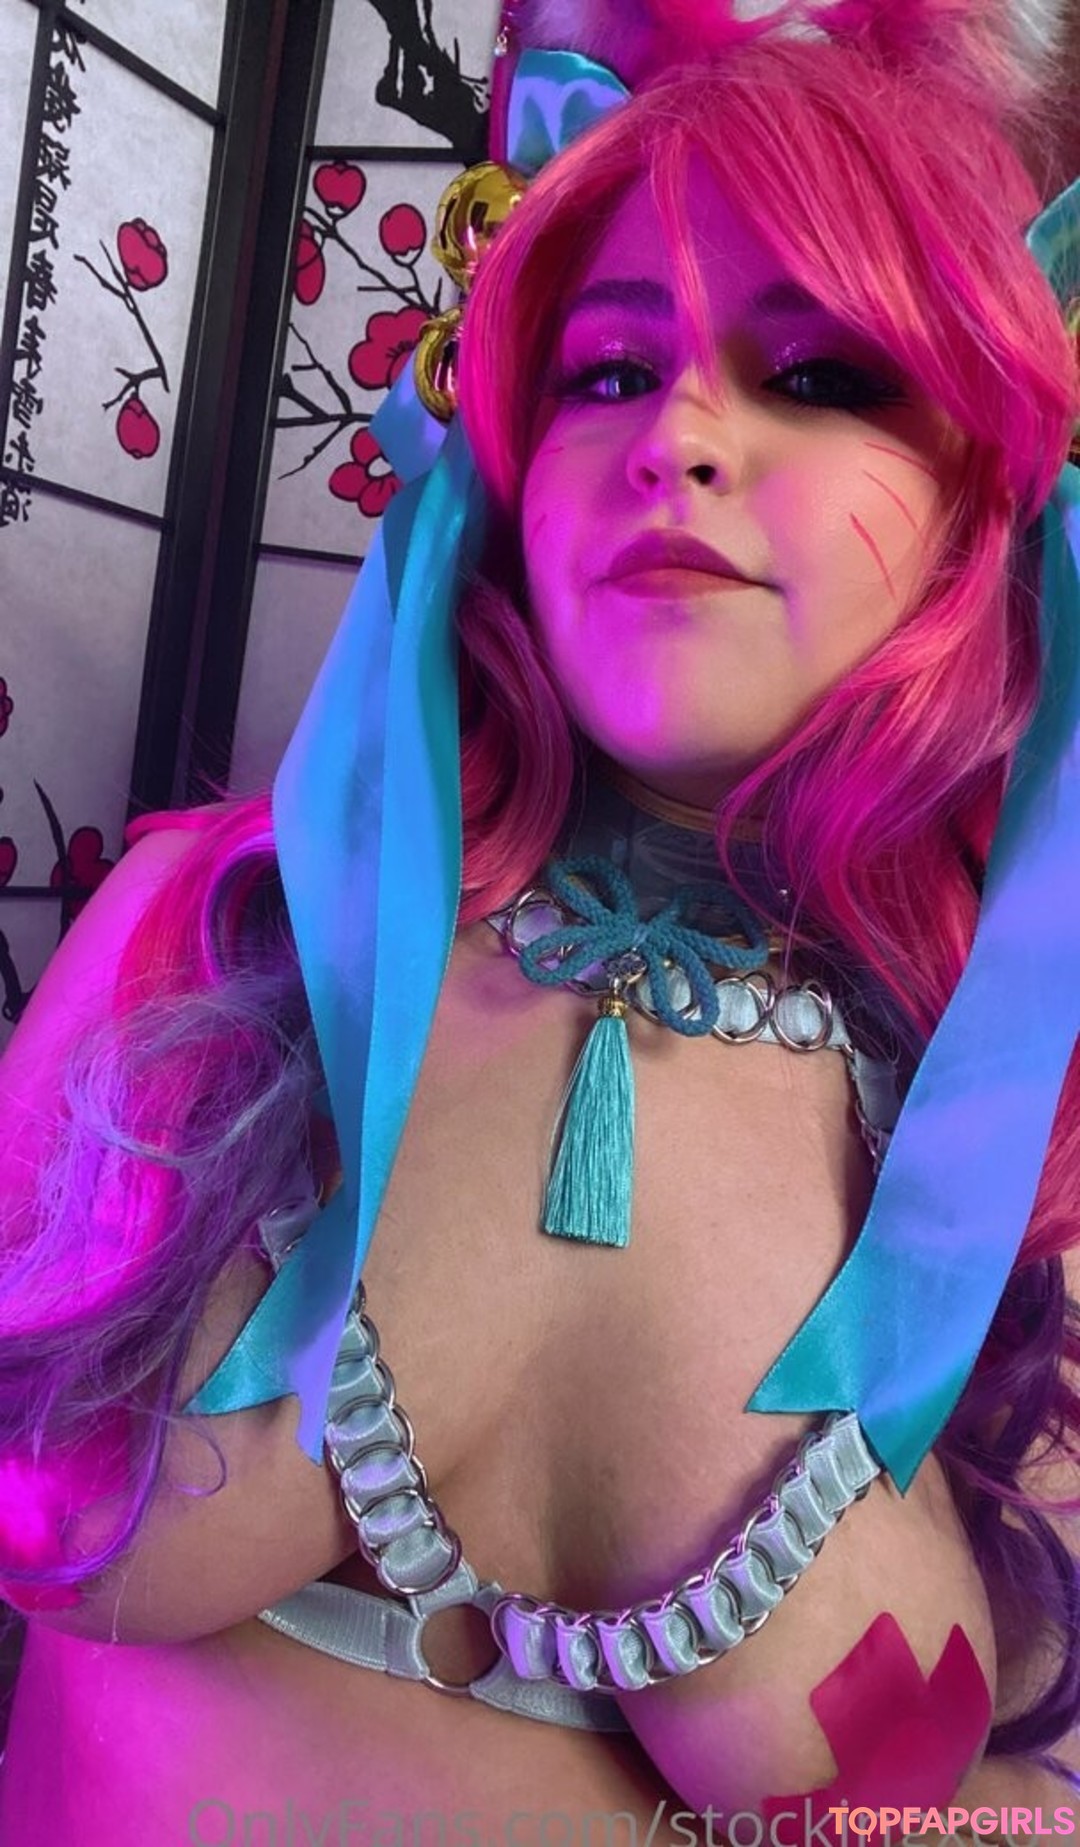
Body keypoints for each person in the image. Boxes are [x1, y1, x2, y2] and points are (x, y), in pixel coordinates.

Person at [0, 2, 1078, 1839]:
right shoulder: (219, 931)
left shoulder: (1013, 1142)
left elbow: (1034, 1792)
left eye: (820, 375)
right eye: (609, 366)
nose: (682, 436)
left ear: (991, 494)